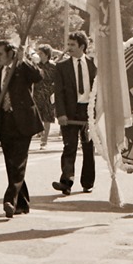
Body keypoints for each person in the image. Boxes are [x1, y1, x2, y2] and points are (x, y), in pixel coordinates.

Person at [0, 40, 42, 217]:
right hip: (4, 122)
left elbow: (38, 76)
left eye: (0, 54)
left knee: (19, 162)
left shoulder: (22, 70)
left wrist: (24, 61)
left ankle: (9, 200)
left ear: (10, 54)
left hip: (23, 121)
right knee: (11, 164)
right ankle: (21, 203)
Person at [52, 31, 97, 195]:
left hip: (88, 111)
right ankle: (66, 182)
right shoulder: (61, 67)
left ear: (82, 46)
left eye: (73, 45)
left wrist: (97, 113)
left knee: (88, 148)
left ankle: (87, 182)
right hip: (70, 113)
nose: (69, 48)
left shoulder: (93, 65)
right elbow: (58, 92)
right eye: (68, 44)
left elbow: (99, 90)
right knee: (69, 147)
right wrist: (61, 114)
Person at [32, 44, 57, 149]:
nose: (39, 55)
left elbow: (54, 79)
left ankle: (44, 140)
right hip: (37, 94)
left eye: (41, 53)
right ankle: (40, 133)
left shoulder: (53, 66)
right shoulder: (35, 66)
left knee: (47, 118)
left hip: (48, 95)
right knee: (36, 116)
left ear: (47, 55)